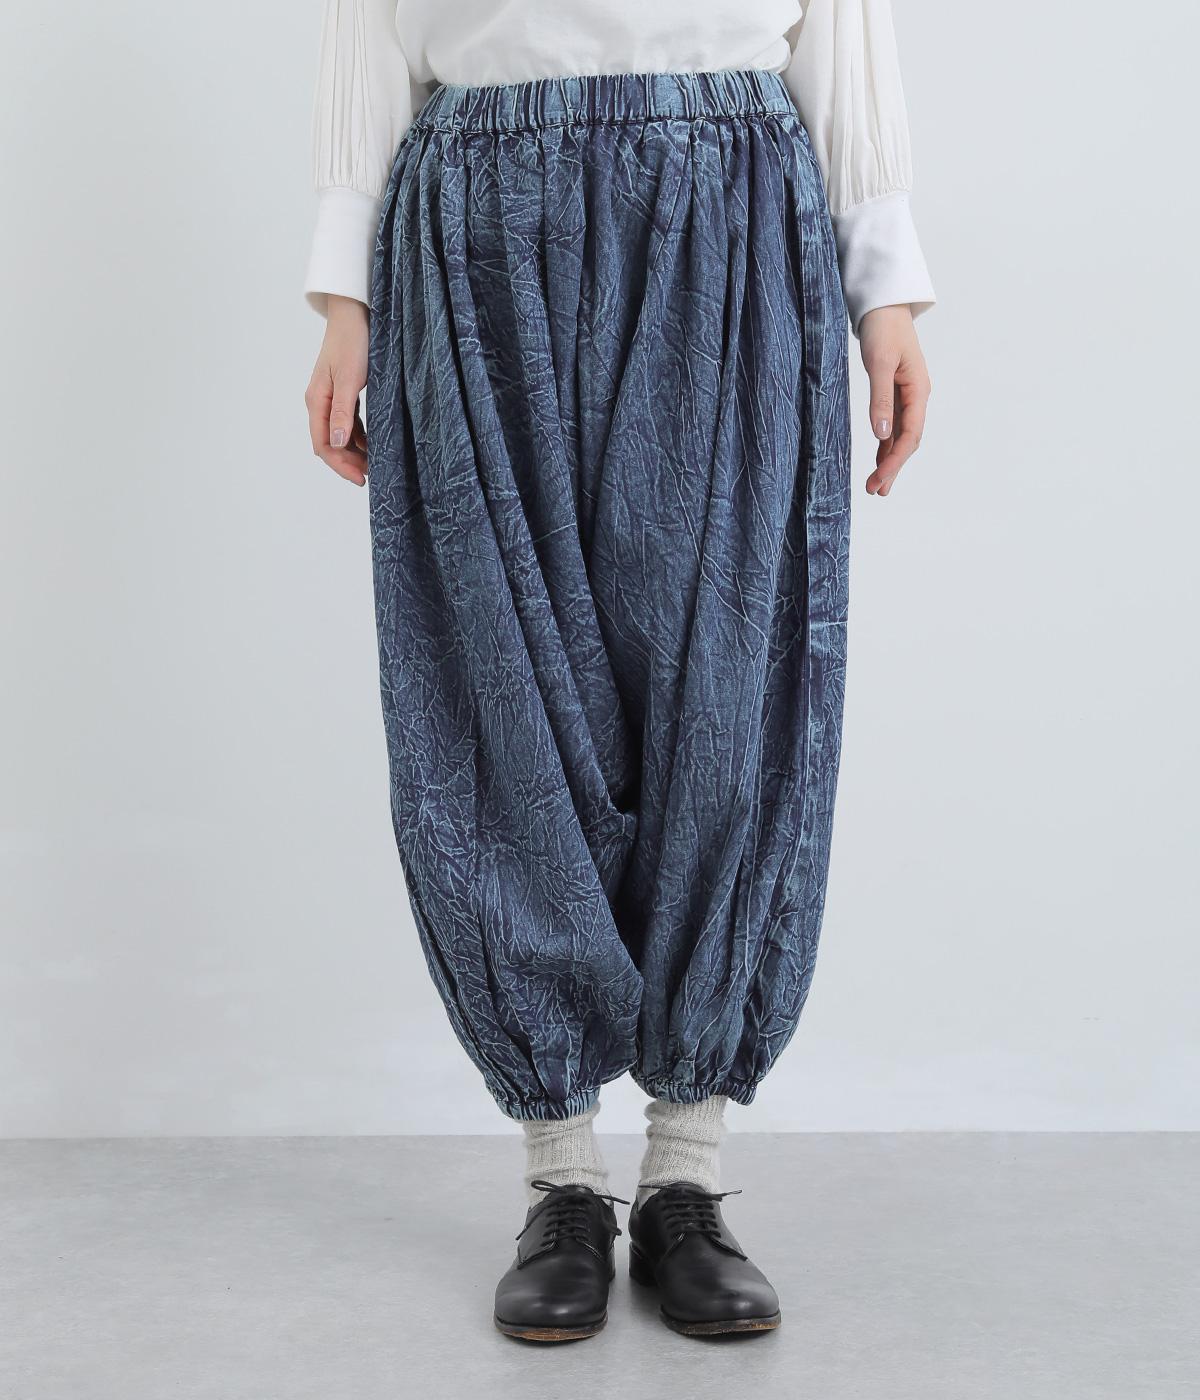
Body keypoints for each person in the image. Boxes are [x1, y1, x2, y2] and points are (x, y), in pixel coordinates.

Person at [302, 0, 933, 1342]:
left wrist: (884, 282)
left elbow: (843, 25)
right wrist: (343, 292)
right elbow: (366, 24)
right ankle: (563, 1181)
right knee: (499, 684)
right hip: (475, 210)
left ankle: (687, 1174)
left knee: (728, 681)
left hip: (732, 200)